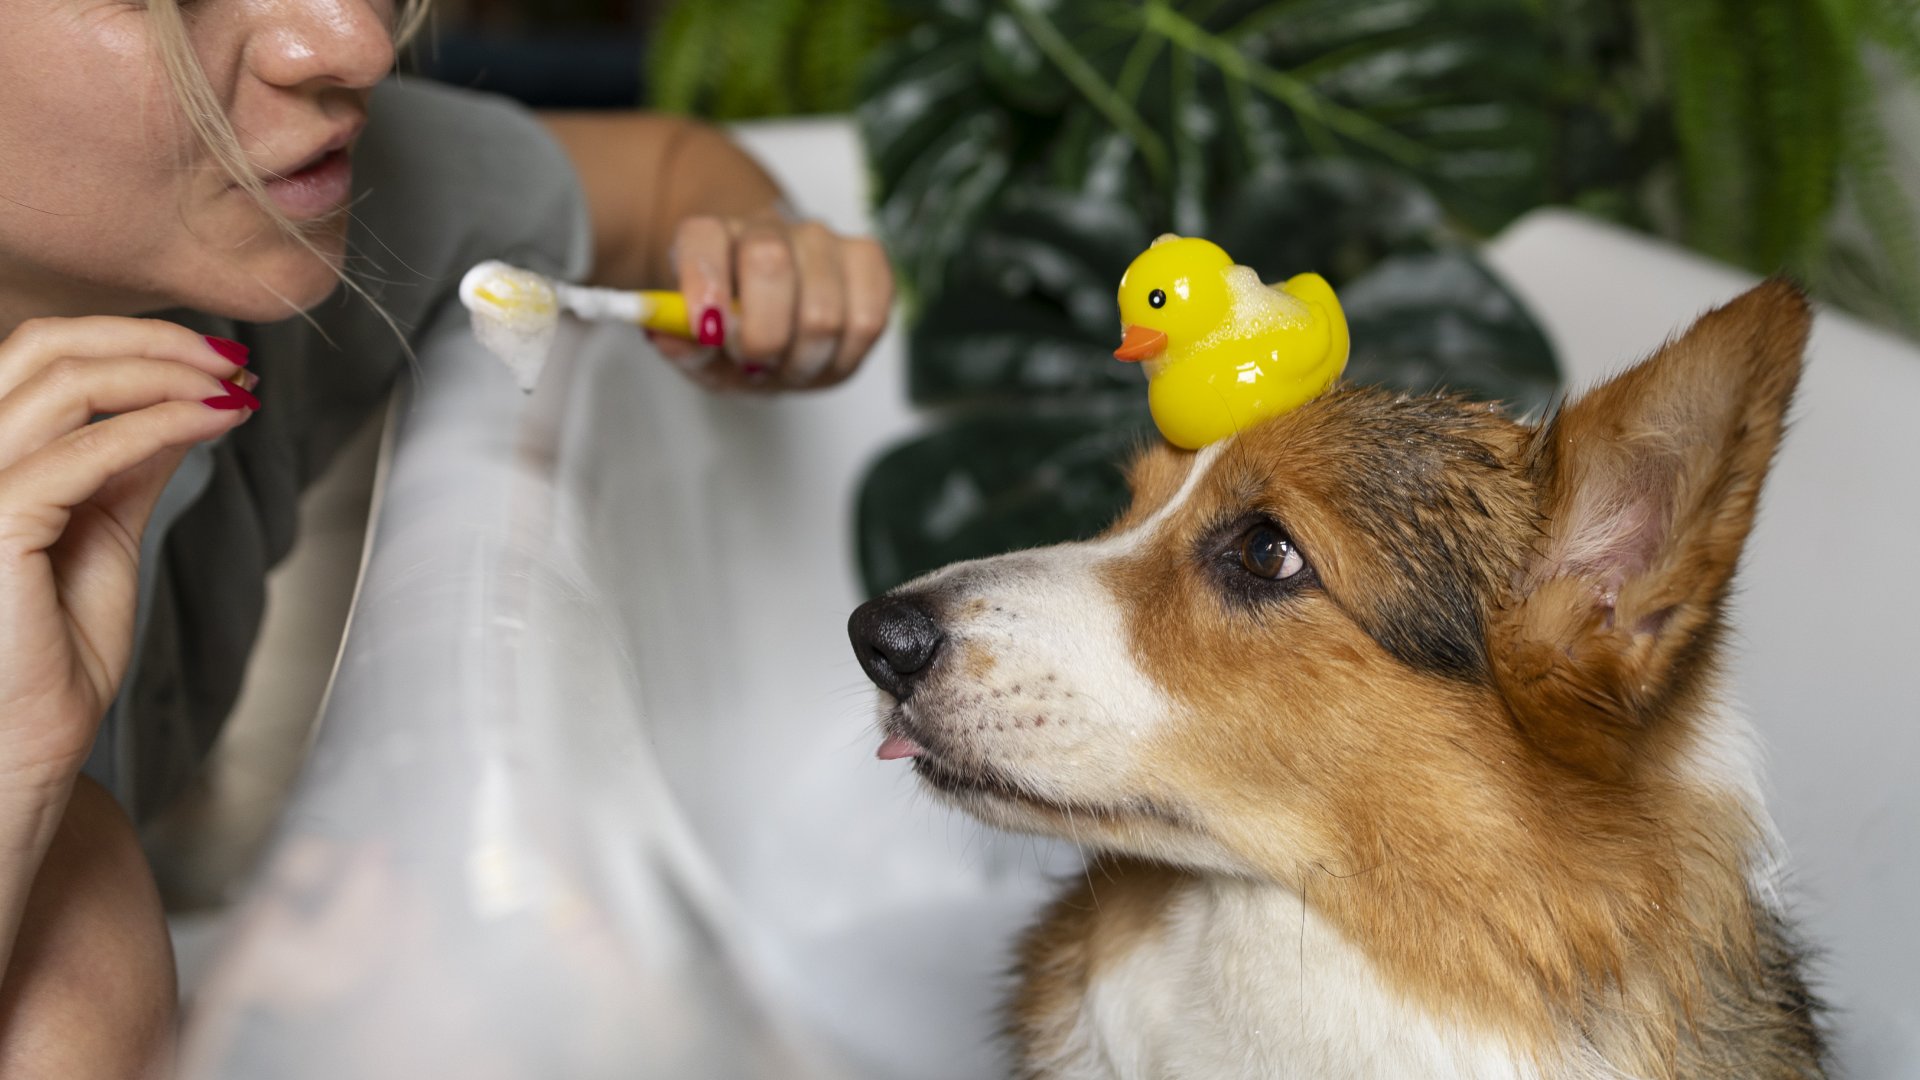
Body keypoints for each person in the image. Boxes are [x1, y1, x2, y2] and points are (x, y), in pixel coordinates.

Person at [0, 1, 894, 1074]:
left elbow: (665, 177)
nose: (354, 41)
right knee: (86, 945)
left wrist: (760, 265)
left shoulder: (263, 206)